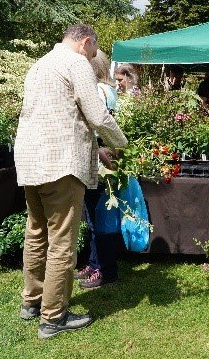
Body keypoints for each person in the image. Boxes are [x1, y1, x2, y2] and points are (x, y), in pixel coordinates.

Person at [15, 24, 128, 339]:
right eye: (93, 52)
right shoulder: (76, 63)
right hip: (61, 163)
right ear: (86, 42)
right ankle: (53, 317)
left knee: (36, 232)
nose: (92, 59)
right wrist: (123, 144)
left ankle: (32, 301)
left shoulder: (39, 64)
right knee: (62, 240)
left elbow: (54, 114)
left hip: (30, 160)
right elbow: (98, 116)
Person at [75, 50, 121, 290]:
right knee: (97, 216)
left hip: (100, 159)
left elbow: (97, 124)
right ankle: (95, 264)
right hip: (104, 157)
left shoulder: (99, 91)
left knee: (98, 218)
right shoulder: (109, 90)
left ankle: (105, 270)